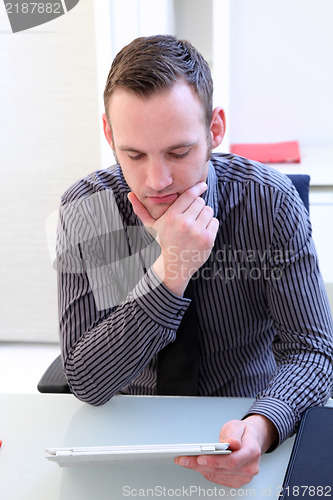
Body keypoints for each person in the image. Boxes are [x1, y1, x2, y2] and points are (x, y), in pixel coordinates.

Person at [56, 34, 333, 487]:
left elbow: (313, 351)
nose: (156, 180)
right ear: (109, 133)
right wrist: (171, 271)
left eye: (178, 152)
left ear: (215, 130)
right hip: (127, 429)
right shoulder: (90, 209)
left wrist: (261, 426)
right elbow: (86, 380)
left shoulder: (270, 203)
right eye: (134, 154)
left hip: (245, 415)